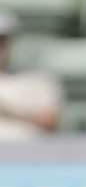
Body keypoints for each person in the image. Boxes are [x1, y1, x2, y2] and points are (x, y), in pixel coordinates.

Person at [0, 10, 62, 140]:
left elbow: (51, 123)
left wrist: (8, 111)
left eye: (2, 41)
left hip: (29, 154)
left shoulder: (38, 80)